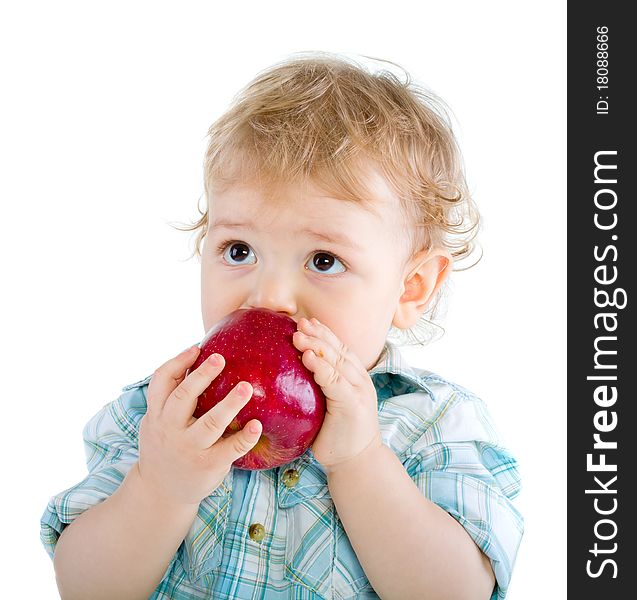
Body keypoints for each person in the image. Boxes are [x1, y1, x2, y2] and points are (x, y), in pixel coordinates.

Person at [41, 52, 523, 600]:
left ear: (410, 286)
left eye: (323, 260)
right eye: (239, 249)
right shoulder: (161, 417)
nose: (268, 298)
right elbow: (85, 588)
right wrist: (160, 488)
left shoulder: (434, 425)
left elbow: (458, 593)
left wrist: (360, 461)